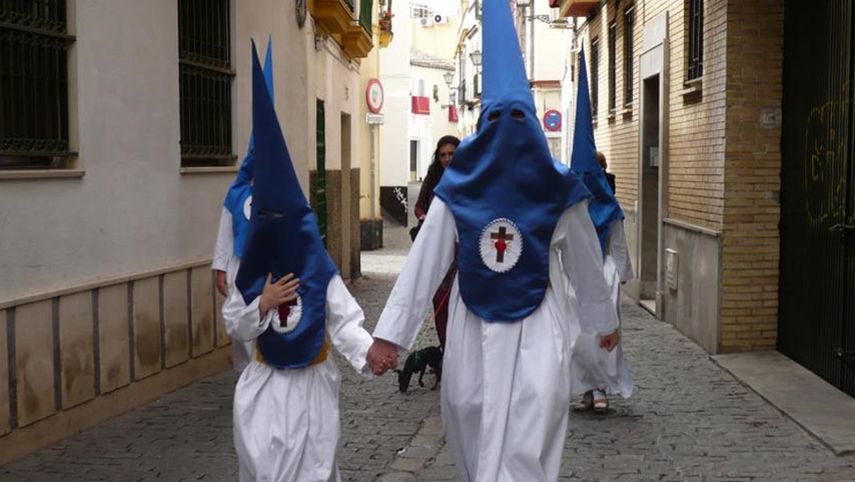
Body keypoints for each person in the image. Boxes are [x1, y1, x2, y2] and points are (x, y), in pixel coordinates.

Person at [365, 2, 620, 480]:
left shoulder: (561, 190)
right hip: (473, 324)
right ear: (483, 129)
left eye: (519, 121)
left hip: (537, 326)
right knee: (469, 413)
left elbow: (586, 261)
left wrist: (602, 319)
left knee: (532, 420)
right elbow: (424, 262)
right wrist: (389, 337)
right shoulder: (457, 190)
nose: (509, 136)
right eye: (498, 122)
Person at [222, 43, 373, 482]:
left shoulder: (319, 269)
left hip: (313, 386)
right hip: (266, 388)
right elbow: (235, 324)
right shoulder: (251, 274)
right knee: (266, 467)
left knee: (314, 468)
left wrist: (370, 354)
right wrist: (262, 303)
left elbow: (343, 322)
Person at [567, 52, 635, 414]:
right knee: (578, 337)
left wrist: (621, 275)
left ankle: (603, 386)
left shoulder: (610, 208)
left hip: (604, 274)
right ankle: (586, 390)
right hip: (576, 277)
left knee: (602, 333)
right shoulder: (569, 209)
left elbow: (619, 245)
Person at [212, 39, 275, 373]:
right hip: (240, 269)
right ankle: (247, 382)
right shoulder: (237, 192)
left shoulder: (281, 192)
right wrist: (220, 266)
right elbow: (226, 227)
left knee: (267, 333)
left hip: (271, 271)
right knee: (242, 335)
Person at [413, 135, 460, 349]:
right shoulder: (432, 178)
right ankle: (445, 348)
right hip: (437, 247)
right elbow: (419, 205)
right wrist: (425, 218)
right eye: (443, 155)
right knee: (440, 298)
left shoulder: (470, 176)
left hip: (461, 249)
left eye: (452, 154)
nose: (447, 159)